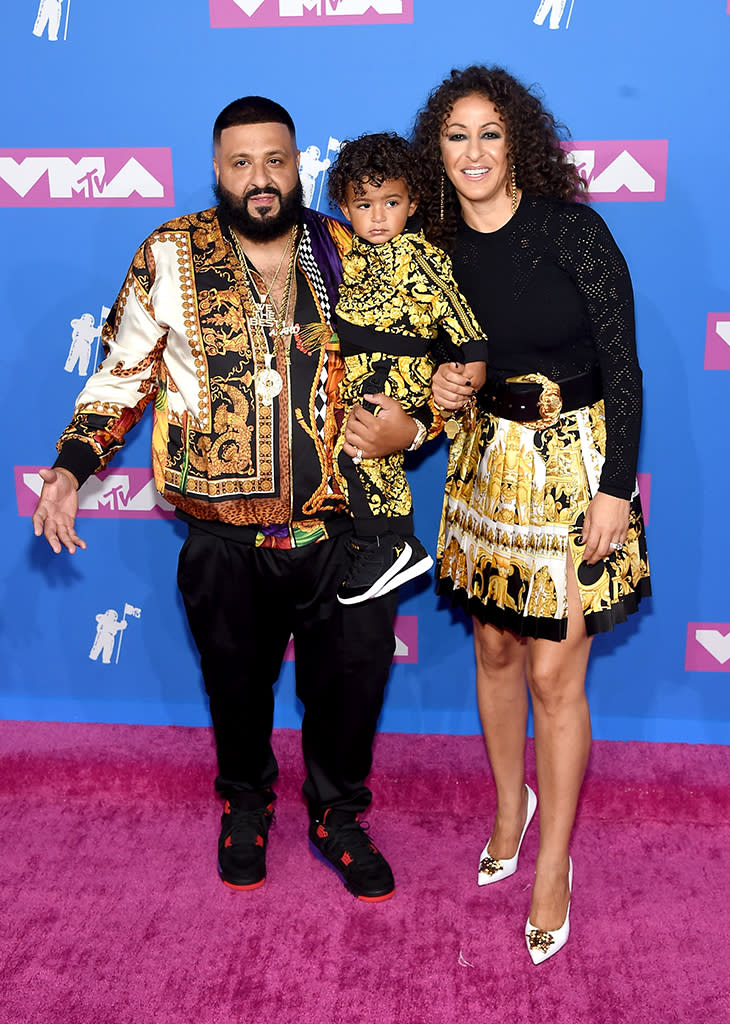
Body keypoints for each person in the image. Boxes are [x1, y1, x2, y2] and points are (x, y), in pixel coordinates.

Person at [31, 96, 425, 905]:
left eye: (275, 160)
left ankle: (337, 814)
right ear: (216, 168)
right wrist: (70, 468)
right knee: (235, 683)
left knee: (350, 686)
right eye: (241, 163)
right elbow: (123, 375)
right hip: (219, 534)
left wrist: (418, 419)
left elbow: (422, 364)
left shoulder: (353, 249)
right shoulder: (169, 253)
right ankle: (245, 801)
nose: (260, 179)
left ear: (299, 164)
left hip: (342, 526)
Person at [412, 66, 651, 962]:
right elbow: (433, 369)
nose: (473, 152)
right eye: (455, 136)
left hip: (575, 468)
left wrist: (615, 488)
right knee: (495, 648)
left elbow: (623, 368)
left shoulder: (571, 231)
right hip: (481, 470)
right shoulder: (432, 250)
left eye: (489, 134)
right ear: (438, 151)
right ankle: (511, 805)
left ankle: (554, 864)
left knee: (558, 676)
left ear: (518, 143)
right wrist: (438, 384)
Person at [327, 132, 488, 604]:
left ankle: (389, 544)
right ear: (343, 205)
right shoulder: (349, 259)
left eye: (390, 202)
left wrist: (471, 369)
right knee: (360, 458)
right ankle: (389, 544)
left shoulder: (423, 256)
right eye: (364, 204)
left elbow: (461, 320)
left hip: (403, 375)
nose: (378, 216)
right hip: (361, 375)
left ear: (413, 202)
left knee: (357, 452)